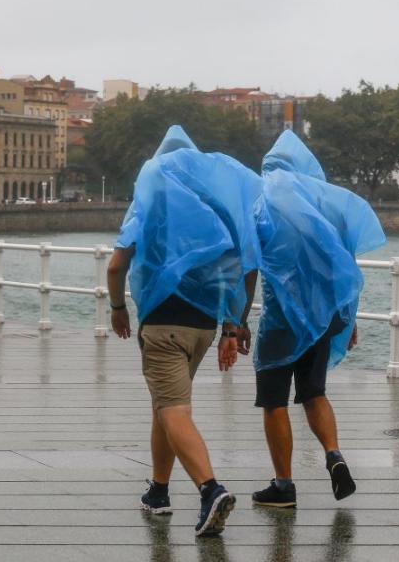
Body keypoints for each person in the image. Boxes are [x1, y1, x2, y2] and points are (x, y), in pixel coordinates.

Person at [107, 126, 261, 537]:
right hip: (202, 328)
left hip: (162, 326)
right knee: (165, 404)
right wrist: (234, 326)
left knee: (174, 410)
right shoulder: (215, 210)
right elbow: (244, 269)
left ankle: (210, 489)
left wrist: (118, 307)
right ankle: (158, 491)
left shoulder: (151, 205)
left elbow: (115, 266)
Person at [237, 130, 386, 508]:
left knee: (274, 401)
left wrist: (238, 320)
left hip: (281, 322)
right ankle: (334, 455)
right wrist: (348, 319)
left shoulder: (261, 204)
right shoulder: (327, 206)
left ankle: (284, 485)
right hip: (322, 316)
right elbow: (344, 268)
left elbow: (250, 267)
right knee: (314, 393)